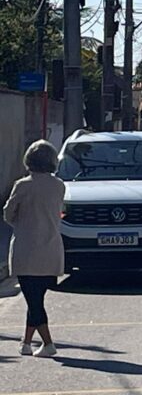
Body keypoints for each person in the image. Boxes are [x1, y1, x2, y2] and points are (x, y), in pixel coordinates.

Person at [3, 140, 65, 357]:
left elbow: (9, 214)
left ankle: (48, 343)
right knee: (35, 297)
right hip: (51, 250)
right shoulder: (59, 185)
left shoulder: (23, 185)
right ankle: (26, 342)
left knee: (34, 299)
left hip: (27, 250)